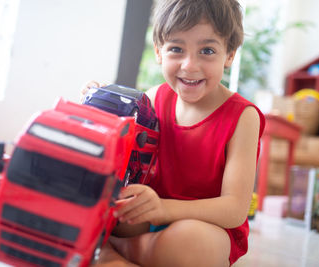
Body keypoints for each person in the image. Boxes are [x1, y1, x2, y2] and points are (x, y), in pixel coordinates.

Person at [82, 0, 265, 266]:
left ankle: (112, 251)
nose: (190, 65)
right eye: (177, 49)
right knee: (116, 206)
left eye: (207, 50)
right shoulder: (153, 99)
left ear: (229, 55)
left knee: (193, 244)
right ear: (159, 52)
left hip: (205, 227)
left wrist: (164, 209)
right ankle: (122, 249)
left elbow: (235, 210)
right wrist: (101, 105)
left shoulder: (243, 117)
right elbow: (117, 151)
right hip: (147, 219)